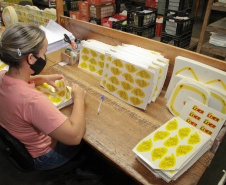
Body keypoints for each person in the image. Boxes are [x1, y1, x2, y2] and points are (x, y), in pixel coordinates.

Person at [0, 23, 86, 170]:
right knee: (85, 138)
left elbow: (13, 82)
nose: (44, 57)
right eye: (44, 53)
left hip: (20, 146)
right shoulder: (32, 100)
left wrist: (41, 78)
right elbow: (74, 137)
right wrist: (79, 98)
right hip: (44, 157)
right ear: (31, 58)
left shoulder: (2, 76)